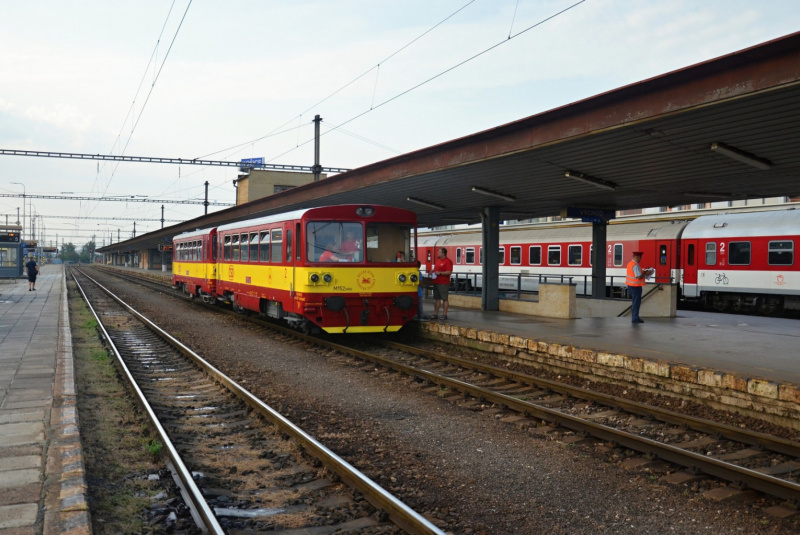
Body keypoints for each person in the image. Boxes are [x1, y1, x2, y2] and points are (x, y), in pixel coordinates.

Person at [626, 251, 654, 324]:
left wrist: (644, 271)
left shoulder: (630, 264)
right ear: (637, 257)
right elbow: (638, 277)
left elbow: (636, 273)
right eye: (640, 257)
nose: (641, 259)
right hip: (635, 286)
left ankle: (635, 317)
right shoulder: (635, 265)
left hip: (631, 285)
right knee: (636, 303)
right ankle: (635, 318)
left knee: (635, 302)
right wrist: (646, 273)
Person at [430, 247, 453, 320]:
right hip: (436, 282)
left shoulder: (448, 261)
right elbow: (436, 269)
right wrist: (432, 271)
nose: (438, 253)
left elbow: (449, 272)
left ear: (443, 253)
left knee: (444, 298)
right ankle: (435, 313)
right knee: (437, 298)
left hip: (443, 283)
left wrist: (440, 273)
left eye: (439, 252)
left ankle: (444, 314)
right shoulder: (438, 260)